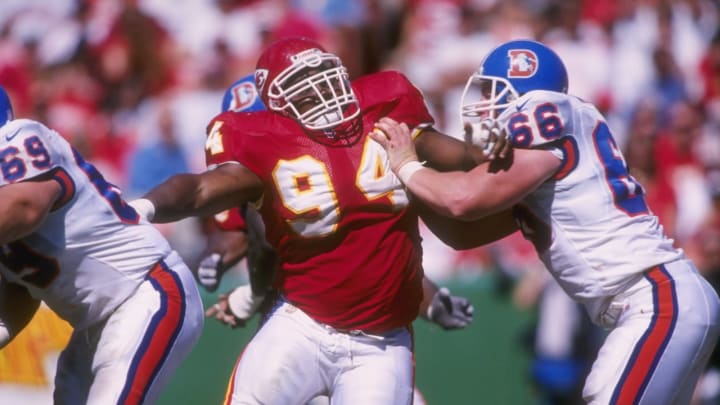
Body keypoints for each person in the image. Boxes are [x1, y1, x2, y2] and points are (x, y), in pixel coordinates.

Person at [128, 36, 499, 404]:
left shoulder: (384, 113)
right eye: (301, 87)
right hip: (303, 325)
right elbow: (200, 191)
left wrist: (490, 144)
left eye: (325, 74)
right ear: (276, 107)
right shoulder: (266, 145)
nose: (322, 90)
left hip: (381, 345)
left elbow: (461, 160)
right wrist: (142, 207)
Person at [370, 39, 720, 405]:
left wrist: (406, 164)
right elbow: (458, 232)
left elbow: (462, 199)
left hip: (656, 300)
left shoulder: (548, 110)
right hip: (660, 300)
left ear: (523, 93)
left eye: (493, 92)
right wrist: (407, 175)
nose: (484, 105)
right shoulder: (545, 168)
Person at [0, 86, 204, 404]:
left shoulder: (19, 137)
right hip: (94, 323)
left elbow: (25, 206)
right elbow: (22, 285)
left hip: (146, 291)